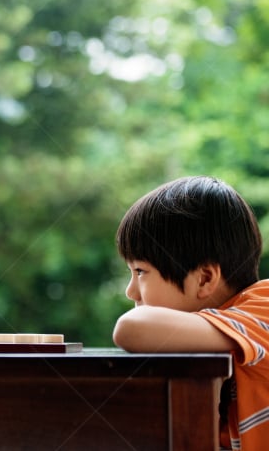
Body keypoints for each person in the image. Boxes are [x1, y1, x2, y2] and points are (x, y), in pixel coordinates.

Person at [112, 175, 269, 450]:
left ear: (205, 279)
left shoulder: (263, 306)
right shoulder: (228, 335)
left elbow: (132, 328)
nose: (131, 292)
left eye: (140, 272)